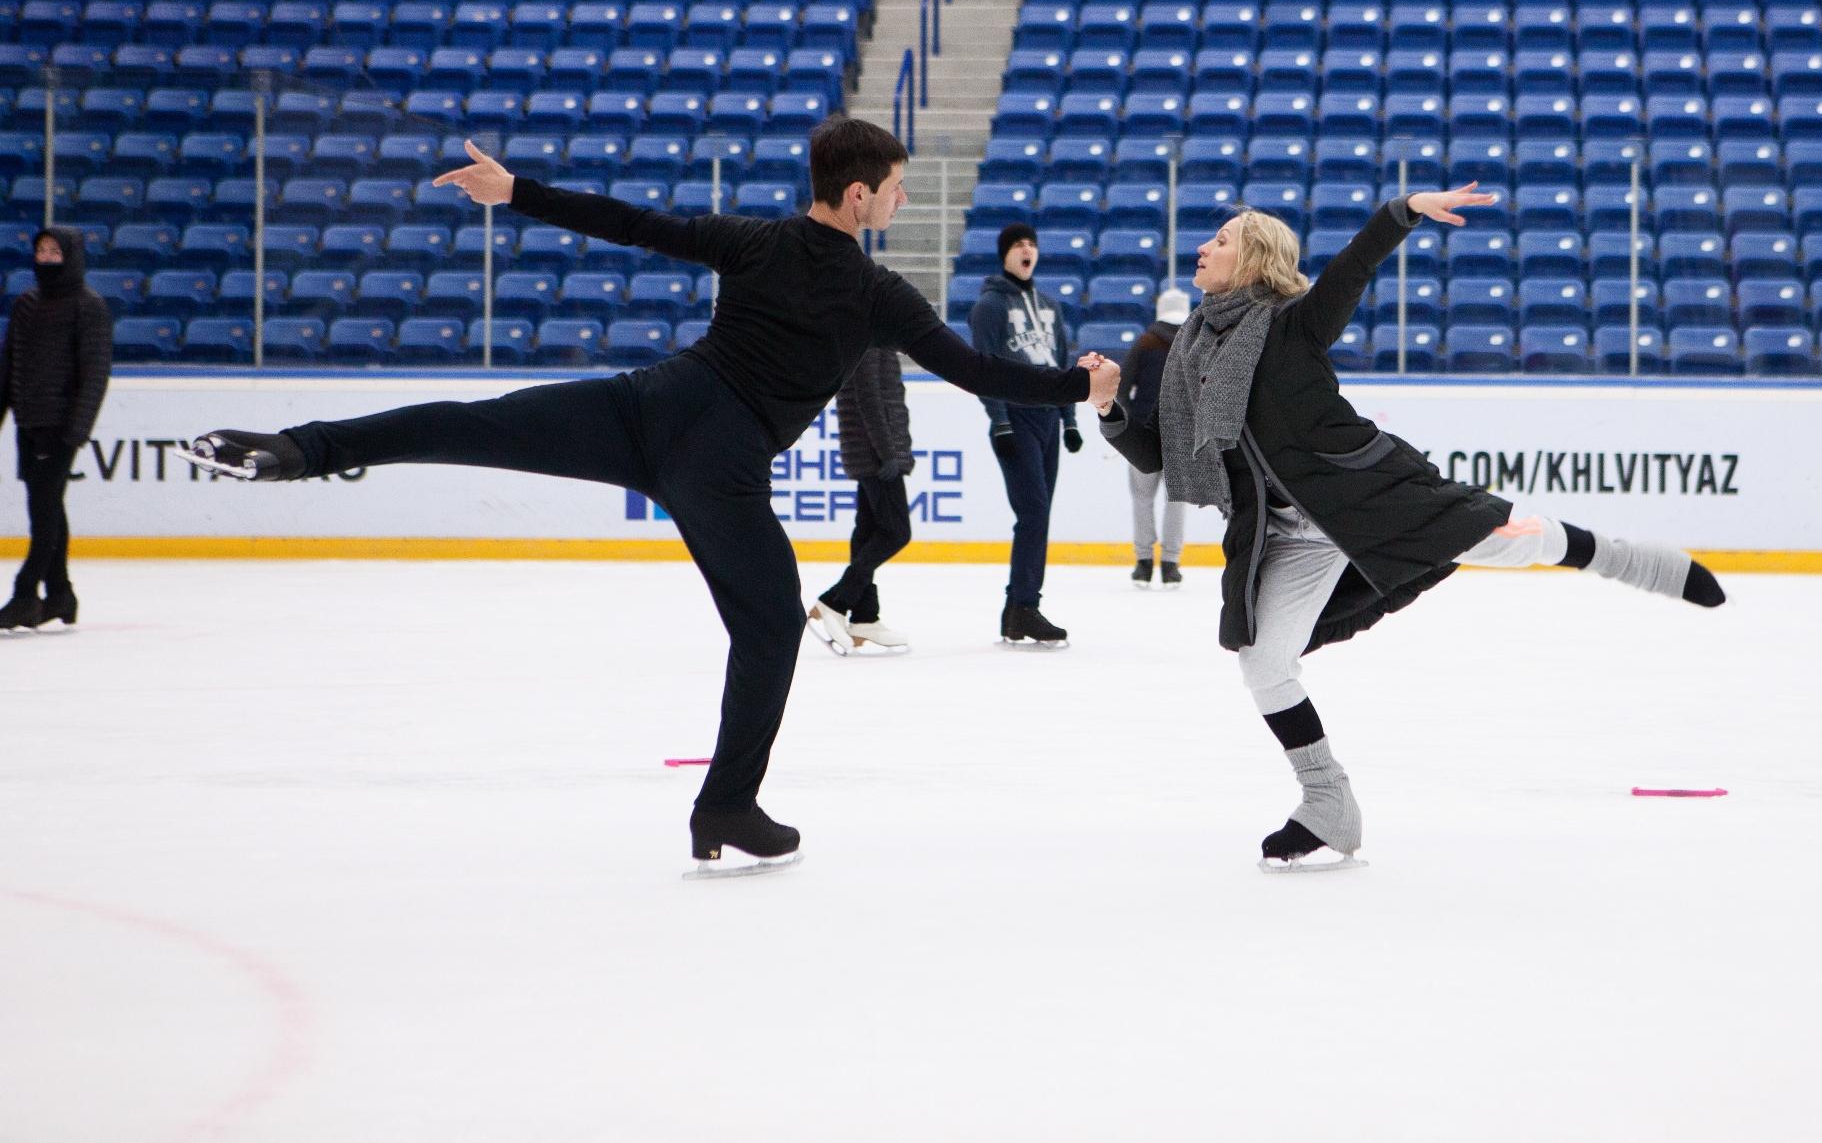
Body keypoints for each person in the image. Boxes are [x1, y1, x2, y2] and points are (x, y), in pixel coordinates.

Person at [177, 117, 1122, 874]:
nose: (905, 199)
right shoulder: (881, 293)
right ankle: (725, 802)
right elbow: (976, 371)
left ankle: (296, 450)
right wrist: (1080, 388)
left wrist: (517, 195)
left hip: (647, 409)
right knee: (767, 628)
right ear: (861, 191)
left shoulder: (753, 240)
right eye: (898, 186)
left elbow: (633, 223)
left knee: (474, 422)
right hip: (718, 464)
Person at [1093, 189, 1725, 872]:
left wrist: (1405, 209)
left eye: (1219, 239)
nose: (1203, 248)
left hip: (1367, 498)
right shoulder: (1193, 348)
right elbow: (1159, 453)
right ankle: (1326, 802)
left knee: (1510, 543)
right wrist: (1108, 409)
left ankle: (1632, 562)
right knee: (1263, 662)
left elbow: (1352, 268)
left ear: (1254, 259)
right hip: (1283, 534)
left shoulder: (1293, 325)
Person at [967, 221, 1082, 647]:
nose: (1027, 249)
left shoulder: (1051, 306)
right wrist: (999, 420)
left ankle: (1018, 610)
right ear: (1005, 254)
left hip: (1049, 419)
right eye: (1018, 244)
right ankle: (1023, 606)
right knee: (1032, 512)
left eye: (1032, 243)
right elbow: (983, 368)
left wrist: (1069, 420)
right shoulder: (990, 307)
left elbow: (1062, 363)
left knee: (1038, 515)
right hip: (1015, 418)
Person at [1, 227, 113, 630]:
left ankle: (25, 593)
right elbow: (8, 364)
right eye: (41, 251)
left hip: (61, 425)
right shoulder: (26, 303)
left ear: (72, 256)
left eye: (55, 251)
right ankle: (61, 594)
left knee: (43, 508)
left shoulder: (89, 306)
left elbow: (95, 373)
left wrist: (77, 430)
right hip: (28, 420)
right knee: (47, 505)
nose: (47, 258)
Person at [806, 344, 914, 656]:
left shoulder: (872, 344)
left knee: (868, 532)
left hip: (871, 454)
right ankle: (834, 601)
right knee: (896, 532)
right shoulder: (870, 346)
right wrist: (887, 454)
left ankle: (865, 616)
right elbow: (870, 401)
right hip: (875, 457)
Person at [1117, 285, 1192, 589]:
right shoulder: (1194, 343)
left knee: (1142, 497)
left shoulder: (1145, 342)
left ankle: (1143, 562)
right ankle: (1171, 564)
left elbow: (1122, 389)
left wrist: (1122, 424)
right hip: (1181, 432)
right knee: (1177, 500)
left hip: (1142, 431)